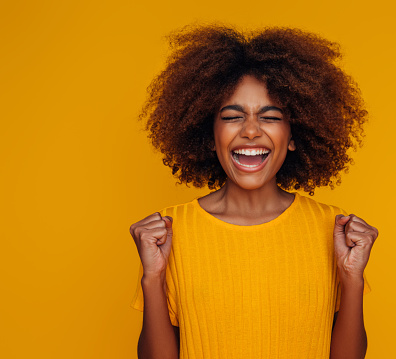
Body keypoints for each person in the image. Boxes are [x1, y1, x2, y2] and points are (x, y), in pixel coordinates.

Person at [129, 24, 378, 359]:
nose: (250, 131)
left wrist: (353, 280)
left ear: (293, 136)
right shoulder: (169, 233)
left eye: (270, 117)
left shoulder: (333, 229)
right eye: (233, 116)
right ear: (210, 134)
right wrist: (152, 279)